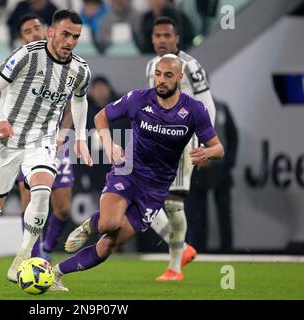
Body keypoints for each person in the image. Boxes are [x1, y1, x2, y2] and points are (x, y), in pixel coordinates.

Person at [52, 55, 224, 291]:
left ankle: (55, 274)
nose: (161, 80)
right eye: (158, 74)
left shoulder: (194, 110)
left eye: (168, 75)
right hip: (128, 171)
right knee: (108, 223)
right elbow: (101, 116)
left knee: (109, 245)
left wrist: (209, 152)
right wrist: (109, 143)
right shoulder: (139, 98)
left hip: (155, 190)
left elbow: (219, 147)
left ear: (180, 78)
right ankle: (93, 225)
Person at [0, 9, 93, 284]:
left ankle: (21, 259)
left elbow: (80, 100)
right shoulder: (27, 55)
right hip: (8, 140)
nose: (70, 41)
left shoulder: (80, 69)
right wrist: (0, 120)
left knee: (41, 192)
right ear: (51, 32)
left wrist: (82, 138)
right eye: (65, 34)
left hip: (42, 142)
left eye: (75, 37)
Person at [145, 16, 216, 281]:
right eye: (157, 36)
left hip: (183, 143)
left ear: (176, 39)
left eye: (167, 35)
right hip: (156, 141)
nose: (162, 40)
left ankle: (174, 267)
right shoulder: (152, 65)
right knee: (142, 198)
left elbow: (208, 104)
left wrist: (209, 143)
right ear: (152, 39)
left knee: (173, 203)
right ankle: (182, 249)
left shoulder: (192, 66)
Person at [13, 12, 75, 262]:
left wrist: (64, 133)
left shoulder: (63, 60)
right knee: (29, 203)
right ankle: (31, 259)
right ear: (21, 39)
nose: (34, 33)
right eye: (27, 31)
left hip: (57, 142)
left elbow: (71, 106)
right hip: (26, 142)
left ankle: (47, 249)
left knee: (62, 208)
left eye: (37, 28)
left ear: (46, 31)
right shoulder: (16, 64)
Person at [186, 98, 238, 253]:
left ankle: (227, 249)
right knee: (197, 214)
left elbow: (232, 136)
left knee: (224, 213)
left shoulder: (221, 107)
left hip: (219, 169)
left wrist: (228, 162)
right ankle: (198, 249)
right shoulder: (187, 109)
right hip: (197, 169)